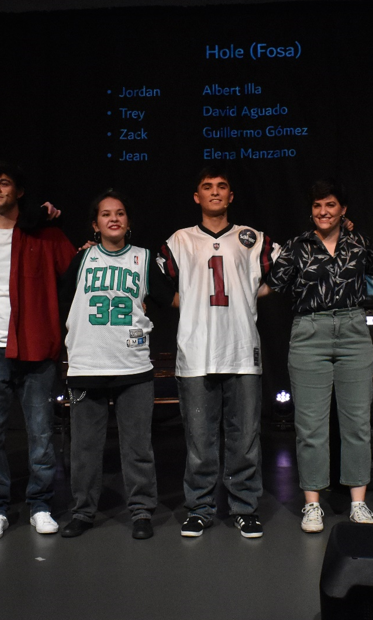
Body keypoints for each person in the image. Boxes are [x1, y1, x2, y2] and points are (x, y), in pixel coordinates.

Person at [156, 167, 278, 538]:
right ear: (197, 197)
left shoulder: (251, 238)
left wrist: (250, 294)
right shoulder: (181, 240)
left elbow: (286, 270)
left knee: (244, 438)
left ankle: (245, 507)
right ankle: (200, 508)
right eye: (207, 187)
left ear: (231, 196)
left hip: (240, 349)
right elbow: (154, 282)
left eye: (221, 186)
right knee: (199, 439)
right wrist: (190, 303)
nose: (214, 192)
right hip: (196, 351)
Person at [0, 162, 75, 541]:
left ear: (19, 191)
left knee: (40, 431)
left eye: (4, 183)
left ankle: (40, 504)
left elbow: (76, 272)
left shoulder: (43, 234)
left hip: (35, 348)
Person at [263, 180, 373, 533]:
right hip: (309, 333)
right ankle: (312, 505)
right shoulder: (297, 246)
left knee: (357, 423)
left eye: (330, 205)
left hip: (353, 330)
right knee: (310, 426)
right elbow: (271, 285)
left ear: (343, 209)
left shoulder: (359, 243)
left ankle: (358, 502)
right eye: (317, 205)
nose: (323, 211)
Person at [58, 190, 172, 540]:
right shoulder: (82, 259)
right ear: (95, 224)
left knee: (137, 446)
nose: (114, 218)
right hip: (86, 366)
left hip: (132, 366)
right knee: (84, 448)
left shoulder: (143, 258)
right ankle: (83, 511)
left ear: (128, 221)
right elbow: (61, 299)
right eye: (106, 214)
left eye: (120, 213)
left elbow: (170, 298)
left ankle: (141, 511)